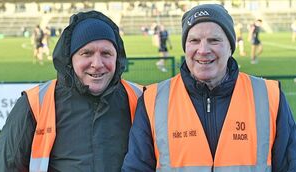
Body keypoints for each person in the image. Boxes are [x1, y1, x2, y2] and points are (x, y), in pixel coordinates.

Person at [122, 4, 296, 171]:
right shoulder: (153, 100)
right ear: (185, 47)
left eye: (214, 40)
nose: (203, 49)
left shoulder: (269, 97)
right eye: (194, 40)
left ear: (230, 47)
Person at [0, 10, 142, 171]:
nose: (97, 63)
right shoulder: (34, 104)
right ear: (70, 58)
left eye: (106, 53)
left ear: (116, 58)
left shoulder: (141, 99)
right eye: (86, 53)